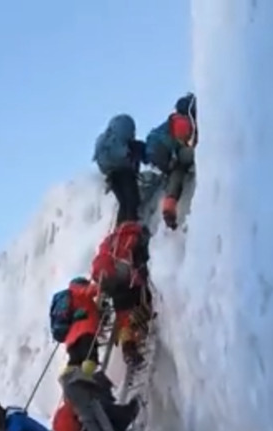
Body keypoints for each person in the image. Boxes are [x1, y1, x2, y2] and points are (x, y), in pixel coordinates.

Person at [91, 221, 153, 367]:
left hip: (108, 283)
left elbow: (101, 254)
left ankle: (128, 345)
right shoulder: (134, 235)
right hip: (126, 280)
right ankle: (133, 338)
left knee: (122, 315)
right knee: (139, 304)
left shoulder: (112, 239)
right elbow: (137, 259)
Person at [146, 92, 197, 230]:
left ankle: (169, 204)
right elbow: (184, 143)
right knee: (181, 166)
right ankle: (170, 204)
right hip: (165, 153)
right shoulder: (183, 122)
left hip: (157, 154)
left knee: (176, 171)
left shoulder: (170, 122)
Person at [93, 114, 147, 224]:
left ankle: (121, 228)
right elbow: (146, 156)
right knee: (132, 200)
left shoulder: (109, 142)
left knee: (123, 202)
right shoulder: (132, 146)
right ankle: (130, 226)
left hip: (112, 175)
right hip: (125, 174)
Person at [49, 277, 101, 369]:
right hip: (85, 332)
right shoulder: (79, 292)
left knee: (74, 362)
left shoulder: (70, 298)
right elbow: (92, 290)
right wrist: (101, 283)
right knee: (90, 358)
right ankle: (86, 378)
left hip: (70, 339)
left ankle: (69, 378)